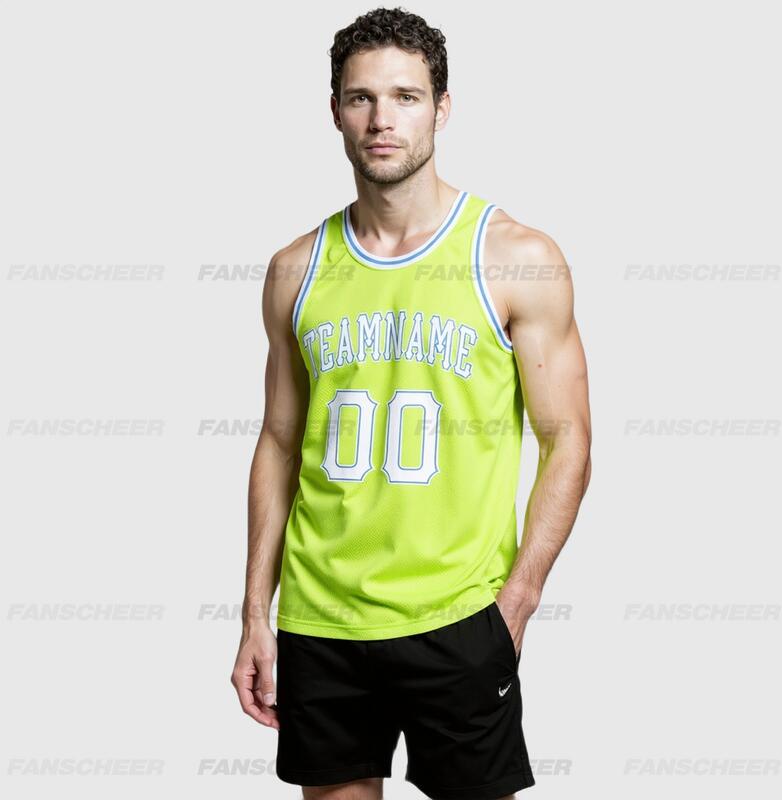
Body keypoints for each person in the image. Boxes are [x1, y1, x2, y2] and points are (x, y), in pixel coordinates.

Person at [231, 7, 592, 799]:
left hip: (458, 618)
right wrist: (256, 611)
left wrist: (518, 601)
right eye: (361, 98)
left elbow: (567, 439)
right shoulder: (295, 269)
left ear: (442, 108)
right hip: (322, 620)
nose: (382, 119)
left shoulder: (514, 257)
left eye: (405, 96)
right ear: (335, 111)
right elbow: (279, 443)